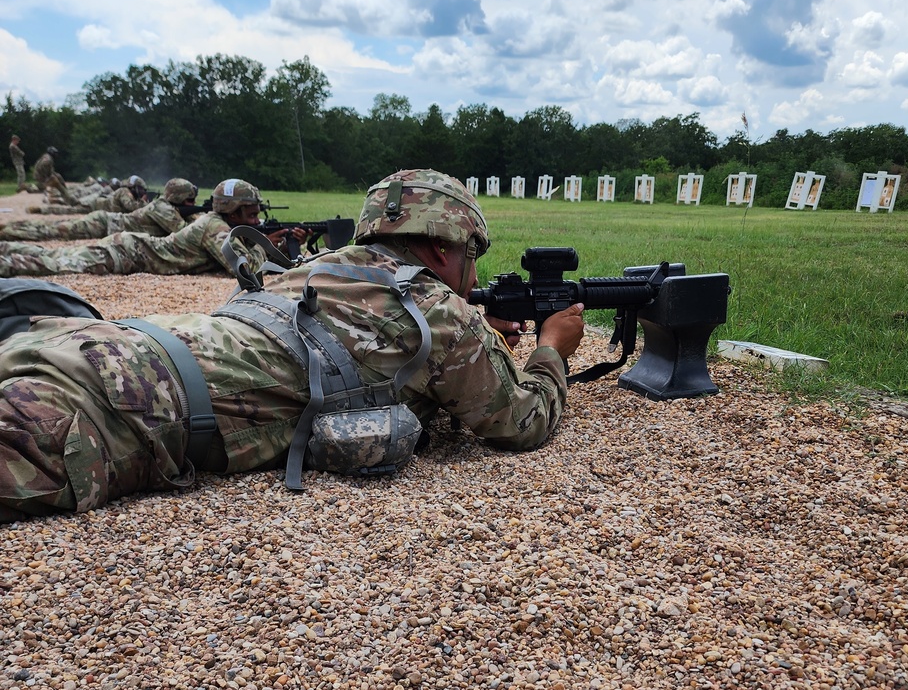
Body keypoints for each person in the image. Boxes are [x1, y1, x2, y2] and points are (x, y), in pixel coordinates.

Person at [0, 169, 585, 521]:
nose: (473, 276)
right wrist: (552, 348)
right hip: (118, 409)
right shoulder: (439, 312)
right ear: (441, 250)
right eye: (470, 256)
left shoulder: (314, 268)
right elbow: (522, 422)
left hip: (90, 345)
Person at [0, 178, 300, 278]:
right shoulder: (214, 227)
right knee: (57, 263)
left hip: (131, 247)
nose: (256, 218)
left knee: (58, 255)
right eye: (249, 212)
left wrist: (282, 246)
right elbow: (245, 271)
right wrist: (264, 243)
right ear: (231, 210)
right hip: (128, 252)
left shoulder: (218, 224)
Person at [0, 178, 199, 241]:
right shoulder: (162, 207)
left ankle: (13, 227)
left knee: (59, 225)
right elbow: (183, 231)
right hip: (105, 224)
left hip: (106, 222)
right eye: (189, 200)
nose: (191, 204)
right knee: (55, 231)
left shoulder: (163, 206)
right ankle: (9, 232)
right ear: (180, 198)